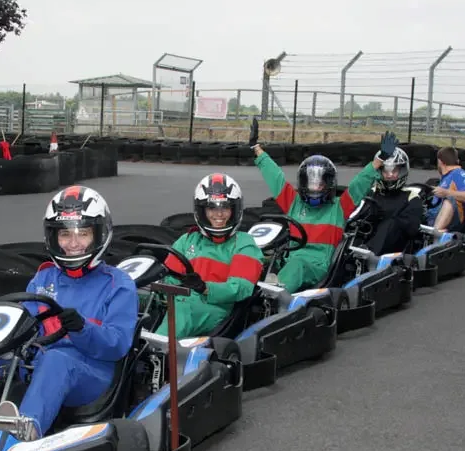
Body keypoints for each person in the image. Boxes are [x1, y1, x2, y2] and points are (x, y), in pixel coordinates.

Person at [0, 185, 139, 440]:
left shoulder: (118, 284)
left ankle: (23, 433)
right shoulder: (43, 278)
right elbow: (24, 324)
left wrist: (82, 329)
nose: (73, 243)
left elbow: (117, 345)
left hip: (92, 373)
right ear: (53, 237)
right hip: (37, 362)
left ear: (99, 234)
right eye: (65, 234)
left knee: (58, 360)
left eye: (82, 233)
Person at [251, 133, 387, 292]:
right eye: (311, 183)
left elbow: (359, 184)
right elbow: (275, 177)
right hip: (289, 260)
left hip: (317, 266)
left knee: (297, 266)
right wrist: (257, 149)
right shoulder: (294, 203)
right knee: (256, 259)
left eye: (319, 184)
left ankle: (272, 296)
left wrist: (378, 161)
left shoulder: (339, 208)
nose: (314, 188)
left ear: (328, 185)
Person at [154, 173, 264, 339]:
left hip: (217, 309)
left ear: (235, 210)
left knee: (185, 308)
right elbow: (169, 277)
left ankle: (155, 352)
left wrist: (205, 287)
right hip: (181, 301)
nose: (218, 215)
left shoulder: (244, 243)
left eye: (225, 208)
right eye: (212, 208)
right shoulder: (188, 240)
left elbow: (241, 288)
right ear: (202, 211)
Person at [362, 145, 425, 255]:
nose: (389, 175)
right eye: (385, 171)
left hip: (393, 248)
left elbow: (411, 228)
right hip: (366, 238)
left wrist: (383, 215)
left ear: (402, 171)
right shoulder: (371, 193)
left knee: (391, 223)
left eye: (394, 170)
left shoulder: (411, 198)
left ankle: (367, 255)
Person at [425, 146, 465, 232]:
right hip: (431, 216)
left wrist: (446, 193)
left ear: (440, 161)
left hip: (452, 221)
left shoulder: (458, 173)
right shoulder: (446, 177)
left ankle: (435, 234)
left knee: (449, 199)